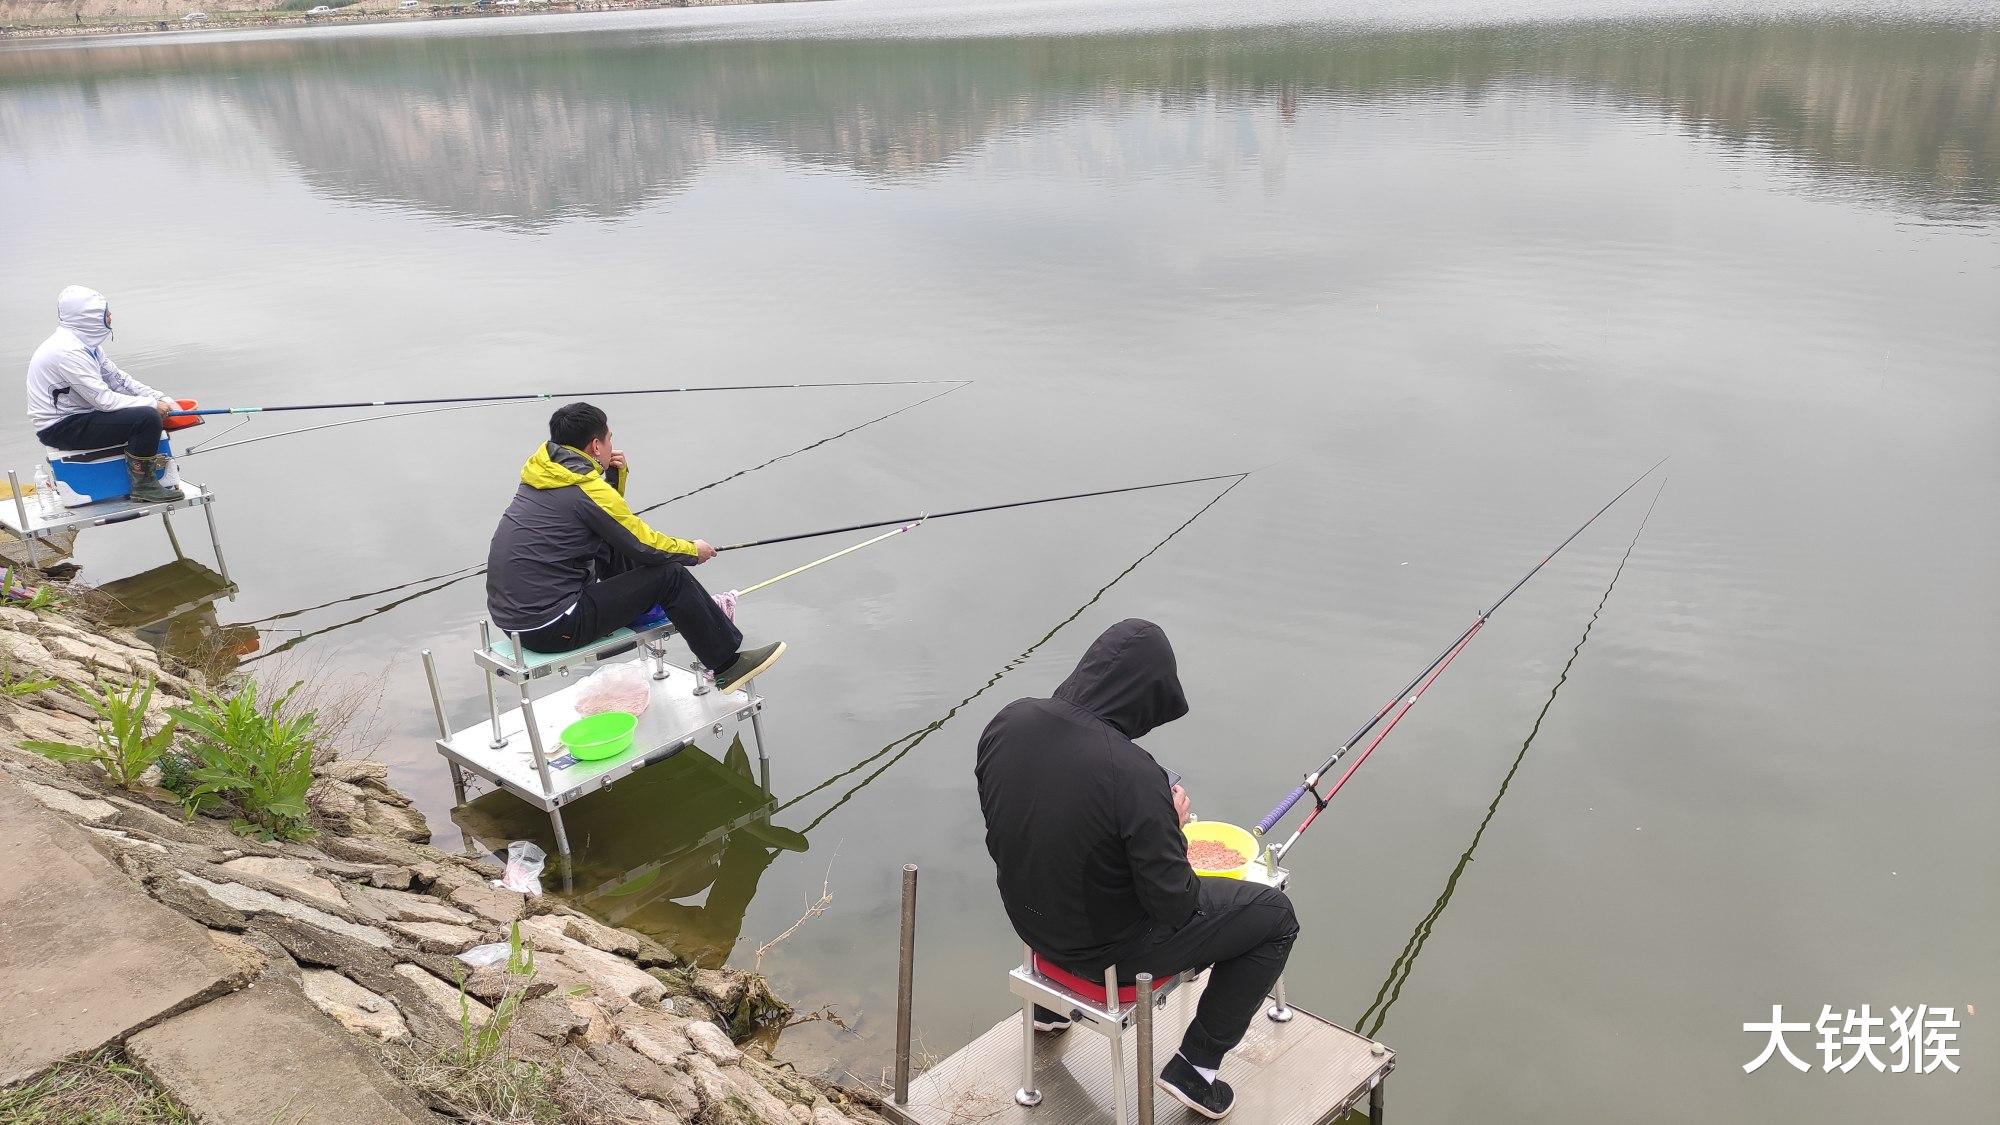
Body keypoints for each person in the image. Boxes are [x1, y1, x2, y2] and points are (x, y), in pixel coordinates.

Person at [975, 619, 1298, 1120]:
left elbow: (1029, 828)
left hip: (1031, 925)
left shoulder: (1007, 723)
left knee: (1060, 864)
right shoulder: (1132, 772)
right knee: (1275, 915)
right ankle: (1196, 1067)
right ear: (1140, 696)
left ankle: (1047, 1010)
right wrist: (1171, 825)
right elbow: (1175, 905)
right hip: (1110, 953)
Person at [485, 402, 785, 695]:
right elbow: (644, 545)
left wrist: (614, 478)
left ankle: (640, 609)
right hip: (553, 627)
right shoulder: (586, 489)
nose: (612, 445)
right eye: (609, 438)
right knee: (671, 575)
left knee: (611, 541)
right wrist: (693, 551)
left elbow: (607, 522)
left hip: (515, 624)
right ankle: (728, 665)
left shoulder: (544, 475)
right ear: (595, 446)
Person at [24, 285, 184, 503]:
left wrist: (162, 399)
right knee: (146, 418)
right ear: (88, 317)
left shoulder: (86, 344)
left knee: (147, 413)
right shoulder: (68, 352)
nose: (110, 316)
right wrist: (152, 405)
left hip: (80, 417)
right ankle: (144, 486)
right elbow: (104, 401)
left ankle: (142, 476)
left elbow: (119, 381)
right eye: (104, 312)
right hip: (59, 427)